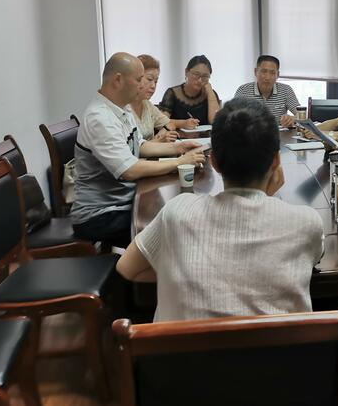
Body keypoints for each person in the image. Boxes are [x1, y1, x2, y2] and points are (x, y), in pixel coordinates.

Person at [116, 98, 325, 322]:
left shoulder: (177, 212)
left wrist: (183, 272)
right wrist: (267, 198)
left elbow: (127, 268)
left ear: (213, 161)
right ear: (276, 161)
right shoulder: (306, 222)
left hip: (182, 346)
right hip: (279, 346)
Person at [71, 53, 206, 248]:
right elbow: (129, 170)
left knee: (174, 212)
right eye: (139, 79)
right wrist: (180, 162)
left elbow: (139, 144)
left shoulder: (121, 107)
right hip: (100, 214)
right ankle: (139, 268)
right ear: (118, 80)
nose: (143, 84)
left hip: (123, 201)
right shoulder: (99, 118)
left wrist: (178, 147)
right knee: (172, 225)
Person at [130, 54, 190, 142]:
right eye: (149, 79)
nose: (153, 86)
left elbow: (170, 124)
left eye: (156, 81)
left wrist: (160, 136)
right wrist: (157, 141)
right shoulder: (123, 107)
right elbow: (129, 148)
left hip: (154, 150)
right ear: (136, 78)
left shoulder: (147, 105)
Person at [234, 55, 301, 128]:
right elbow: (232, 117)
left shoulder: (286, 90)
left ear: (277, 75)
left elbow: (301, 115)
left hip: (278, 134)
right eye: (264, 71)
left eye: (272, 73)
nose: (267, 77)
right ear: (255, 72)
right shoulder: (243, 91)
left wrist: (292, 119)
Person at [158, 55, 220, 126]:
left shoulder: (211, 94)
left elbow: (215, 122)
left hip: (205, 133)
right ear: (186, 72)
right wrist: (183, 123)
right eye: (196, 74)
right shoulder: (172, 93)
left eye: (205, 76)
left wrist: (210, 92)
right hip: (177, 133)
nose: (200, 80)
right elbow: (161, 122)